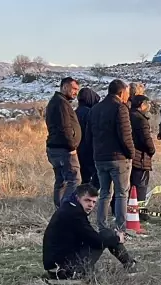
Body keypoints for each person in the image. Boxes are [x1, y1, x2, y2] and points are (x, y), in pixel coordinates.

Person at [42, 183, 136, 280]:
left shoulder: (68, 208)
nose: (91, 205)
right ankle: (130, 265)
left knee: (107, 234)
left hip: (56, 268)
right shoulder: (75, 214)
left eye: (94, 202)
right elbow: (98, 242)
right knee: (108, 234)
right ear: (77, 198)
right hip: (65, 271)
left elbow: (88, 237)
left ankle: (130, 264)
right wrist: (117, 238)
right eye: (87, 200)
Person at [90, 79, 135, 232]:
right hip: (118, 158)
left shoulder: (95, 109)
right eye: (127, 93)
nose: (128, 96)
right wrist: (131, 153)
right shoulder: (120, 108)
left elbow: (90, 134)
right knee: (121, 193)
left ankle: (102, 226)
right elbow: (125, 135)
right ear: (121, 93)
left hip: (100, 157)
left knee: (104, 193)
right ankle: (120, 228)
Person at [44, 77, 82, 208]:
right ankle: (66, 209)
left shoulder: (56, 101)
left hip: (55, 147)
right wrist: (71, 147)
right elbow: (65, 127)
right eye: (74, 89)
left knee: (61, 180)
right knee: (74, 180)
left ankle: (59, 209)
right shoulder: (61, 103)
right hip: (64, 149)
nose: (76, 92)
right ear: (65, 87)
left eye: (77, 90)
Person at [129, 91, 156, 210]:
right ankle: (139, 210)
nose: (149, 106)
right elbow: (146, 139)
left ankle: (125, 209)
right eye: (147, 104)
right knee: (140, 185)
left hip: (128, 156)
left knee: (128, 185)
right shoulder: (141, 119)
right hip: (140, 157)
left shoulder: (128, 115)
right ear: (142, 105)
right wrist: (152, 150)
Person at [75, 86, 99, 185]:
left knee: (84, 177)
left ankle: (84, 192)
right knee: (97, 177)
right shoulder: (90, 113)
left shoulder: (74, 113)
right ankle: (91, 191)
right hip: (89, 150)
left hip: (77, 149)